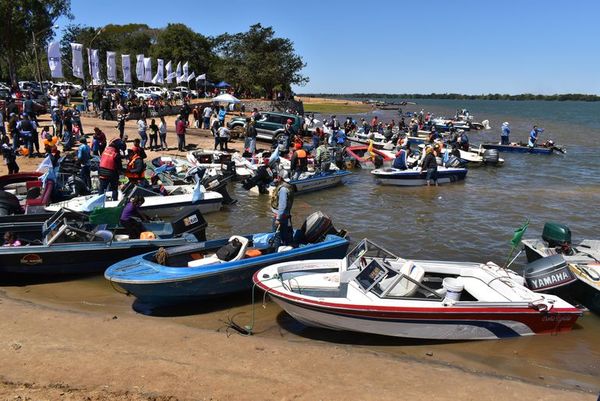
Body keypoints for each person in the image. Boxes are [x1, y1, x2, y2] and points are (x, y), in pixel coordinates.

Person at [270, 172, 294, 249]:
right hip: (285, 215)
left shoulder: (283, 189)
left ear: (280, 178)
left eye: (277, 177)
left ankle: (275, 252)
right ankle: (285, 247)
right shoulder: (288, 186)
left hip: (280, 216)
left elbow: (282, 205)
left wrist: (278, 219)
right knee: (284, 234)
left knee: (276, 235)